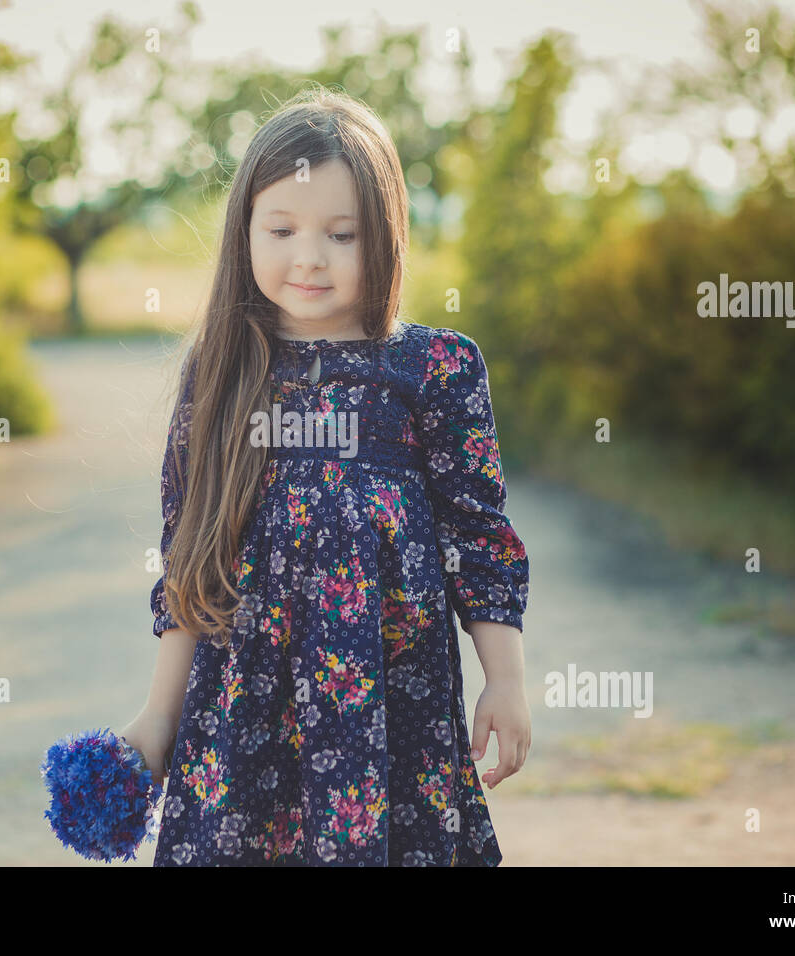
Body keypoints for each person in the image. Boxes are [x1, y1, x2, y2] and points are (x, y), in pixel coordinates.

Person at [119, 85, 531, 866]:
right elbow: (189, 566)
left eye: (341, 235)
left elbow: (478, 539)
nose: (307, 257)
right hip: (242, 731)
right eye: (281, 229)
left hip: (389, 730)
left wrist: (504, 680)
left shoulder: (434, 371)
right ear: (245, 228)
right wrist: (155, 722)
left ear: (386, 236)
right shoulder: (223, 372)